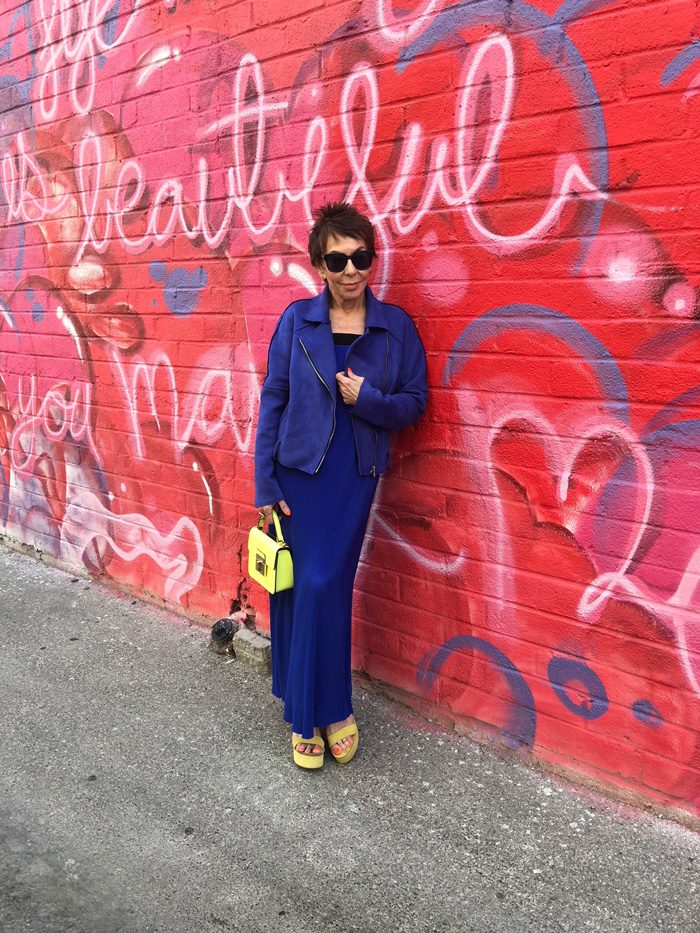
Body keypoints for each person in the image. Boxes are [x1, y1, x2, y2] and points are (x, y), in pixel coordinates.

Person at [254, 202, 427, 769]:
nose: (351, 270)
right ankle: (313, 712)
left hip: (352, 478)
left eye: (361, 257)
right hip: (298, 475)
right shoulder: (295, 321)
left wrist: (367, 400)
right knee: (299, 589)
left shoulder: (395, 327)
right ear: (318, 265)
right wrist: (263, 482)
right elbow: (273, 401)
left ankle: (321, 706)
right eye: (338, 259)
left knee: (325, 585)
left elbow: (413, 404)